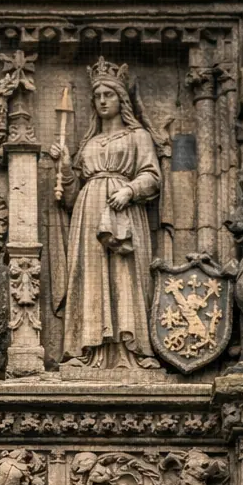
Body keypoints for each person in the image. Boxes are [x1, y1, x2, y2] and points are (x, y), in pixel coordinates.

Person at [51, 58, 163, 369]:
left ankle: (132, 351)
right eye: (97, 95)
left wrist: (130, 191)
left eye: (108, 94)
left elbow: (152, 176)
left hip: (123, 211)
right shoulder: (89, 142)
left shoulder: (137, 136)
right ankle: (86, 350)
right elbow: (71, 196)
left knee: (125, 276)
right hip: (88, 214)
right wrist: (63, 165)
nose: (102, 101)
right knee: (89, 276)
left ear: (121, 99)